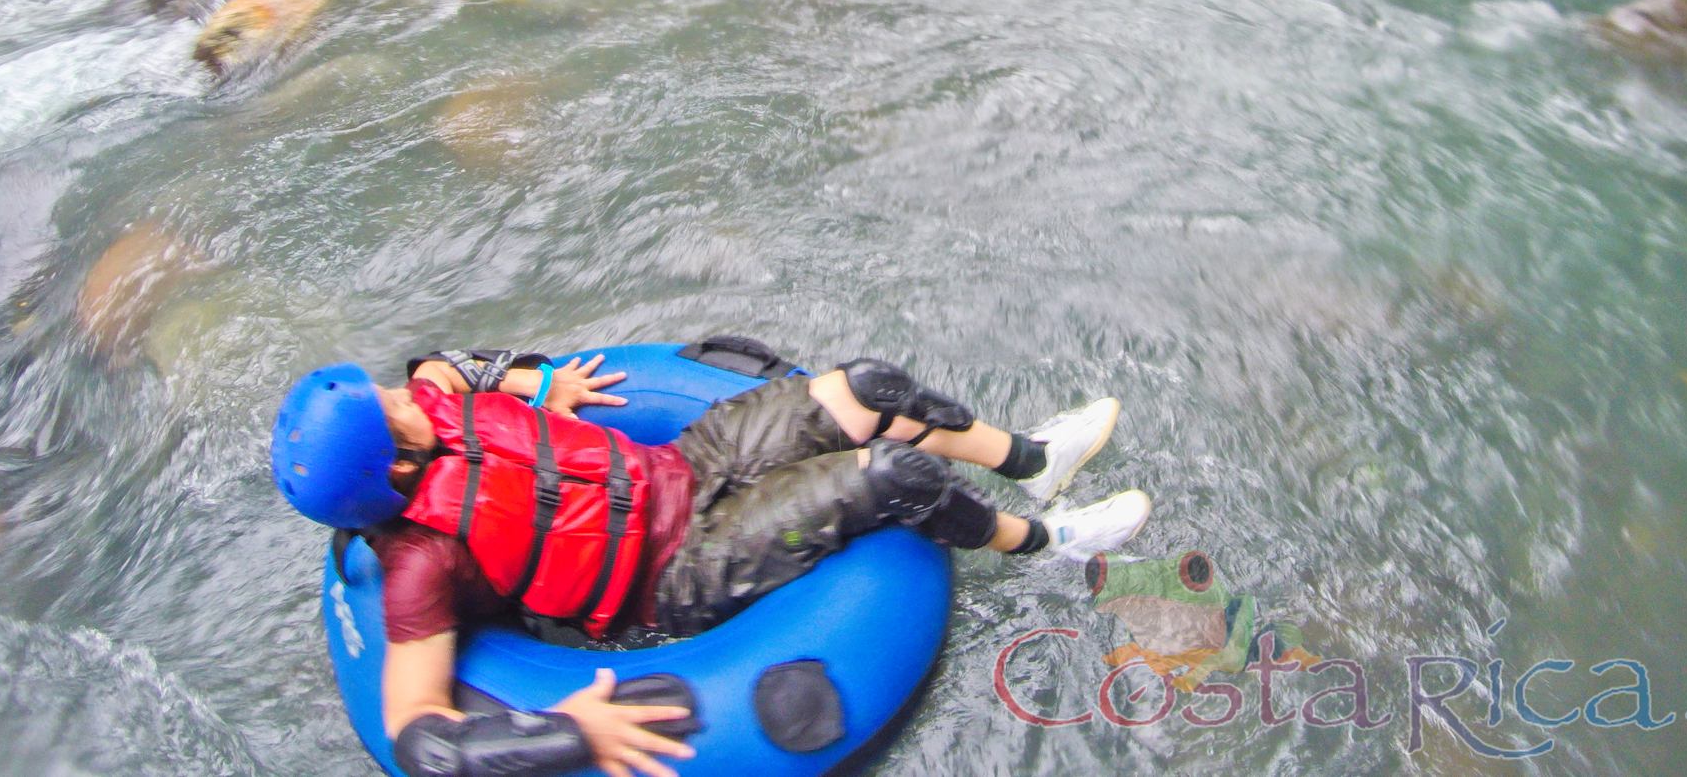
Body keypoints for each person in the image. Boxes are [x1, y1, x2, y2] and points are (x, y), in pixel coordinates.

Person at [272, 340, 1151, 777]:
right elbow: (418, 734)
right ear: (392, 465)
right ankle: (1047, 545)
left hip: (679, 467)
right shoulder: (421, 562)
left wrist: (540, 387)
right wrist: (571, 732)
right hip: (671, 573)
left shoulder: (428, 400)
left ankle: (1035, 462)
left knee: (869, 386)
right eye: (387, 410)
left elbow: (442, 363)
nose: (401, 393)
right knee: (892, 476)